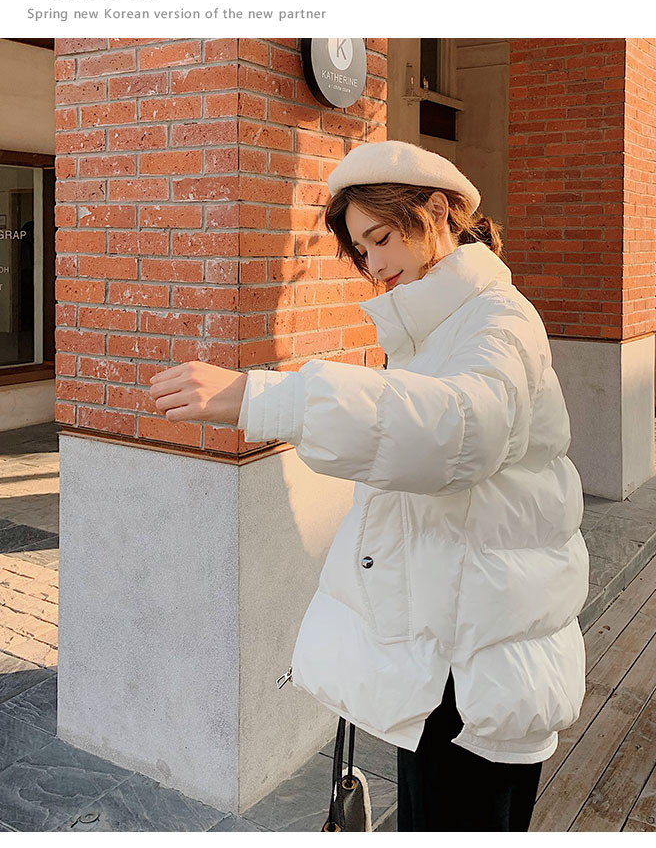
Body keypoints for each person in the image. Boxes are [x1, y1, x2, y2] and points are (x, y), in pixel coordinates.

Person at [148, 140, 590, 832]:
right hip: (450, 653)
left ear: (437, 212)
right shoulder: (434, 328)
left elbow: (463, 428)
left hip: (479, 670)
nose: (374, 264)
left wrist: (270, 398)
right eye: (361, 250)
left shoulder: (497, 320)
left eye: (381, 238)